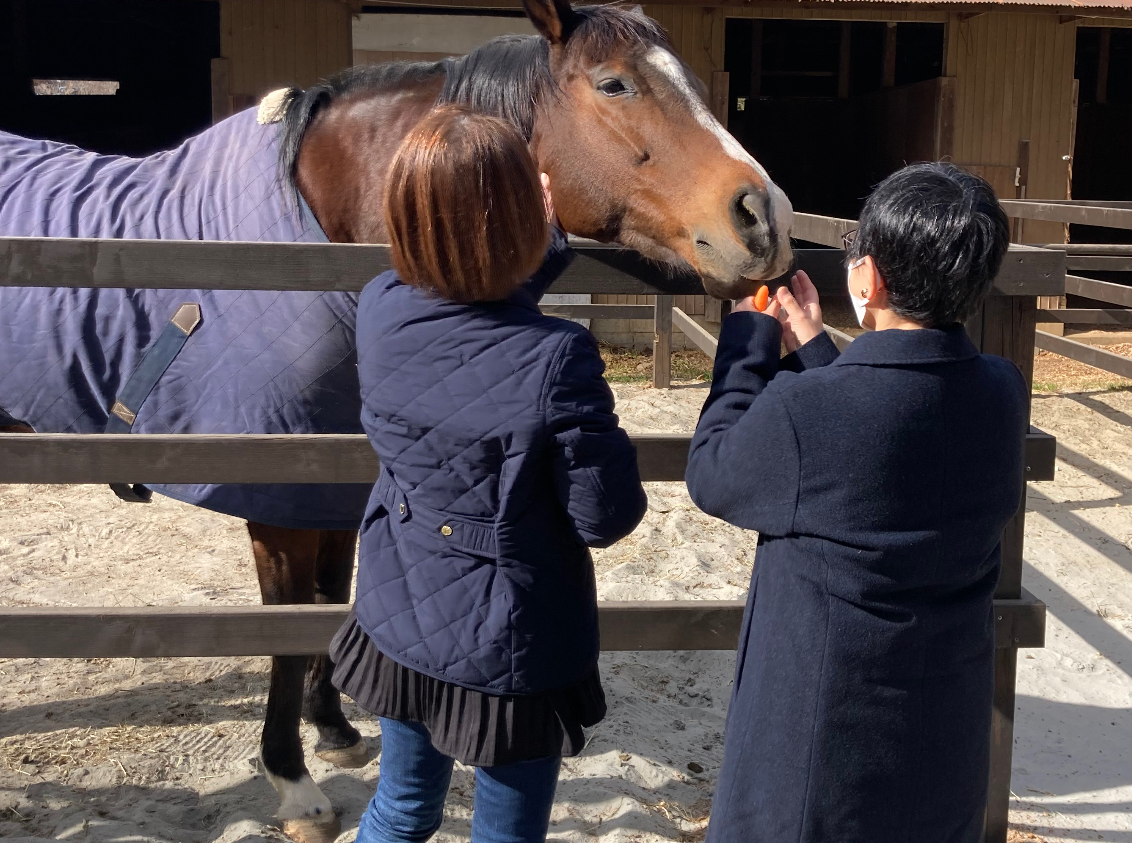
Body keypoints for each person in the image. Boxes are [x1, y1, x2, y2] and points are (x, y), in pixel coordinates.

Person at [331, 105, 647, 843]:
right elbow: (604, 517)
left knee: (402, 809)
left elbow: (473, 329)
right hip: (508, 639)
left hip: (402, 602)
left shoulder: (381, 307)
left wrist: (539, 248)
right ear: (515, 221)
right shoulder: (560, 357)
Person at [686, 162, 1028, 843]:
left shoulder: (807, 410)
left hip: (821, 753)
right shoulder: (1001, 390)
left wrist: (749, 344)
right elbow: (877, 438)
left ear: (866, 278)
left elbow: (714, 472)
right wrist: (817, 346)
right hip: (942, 741)